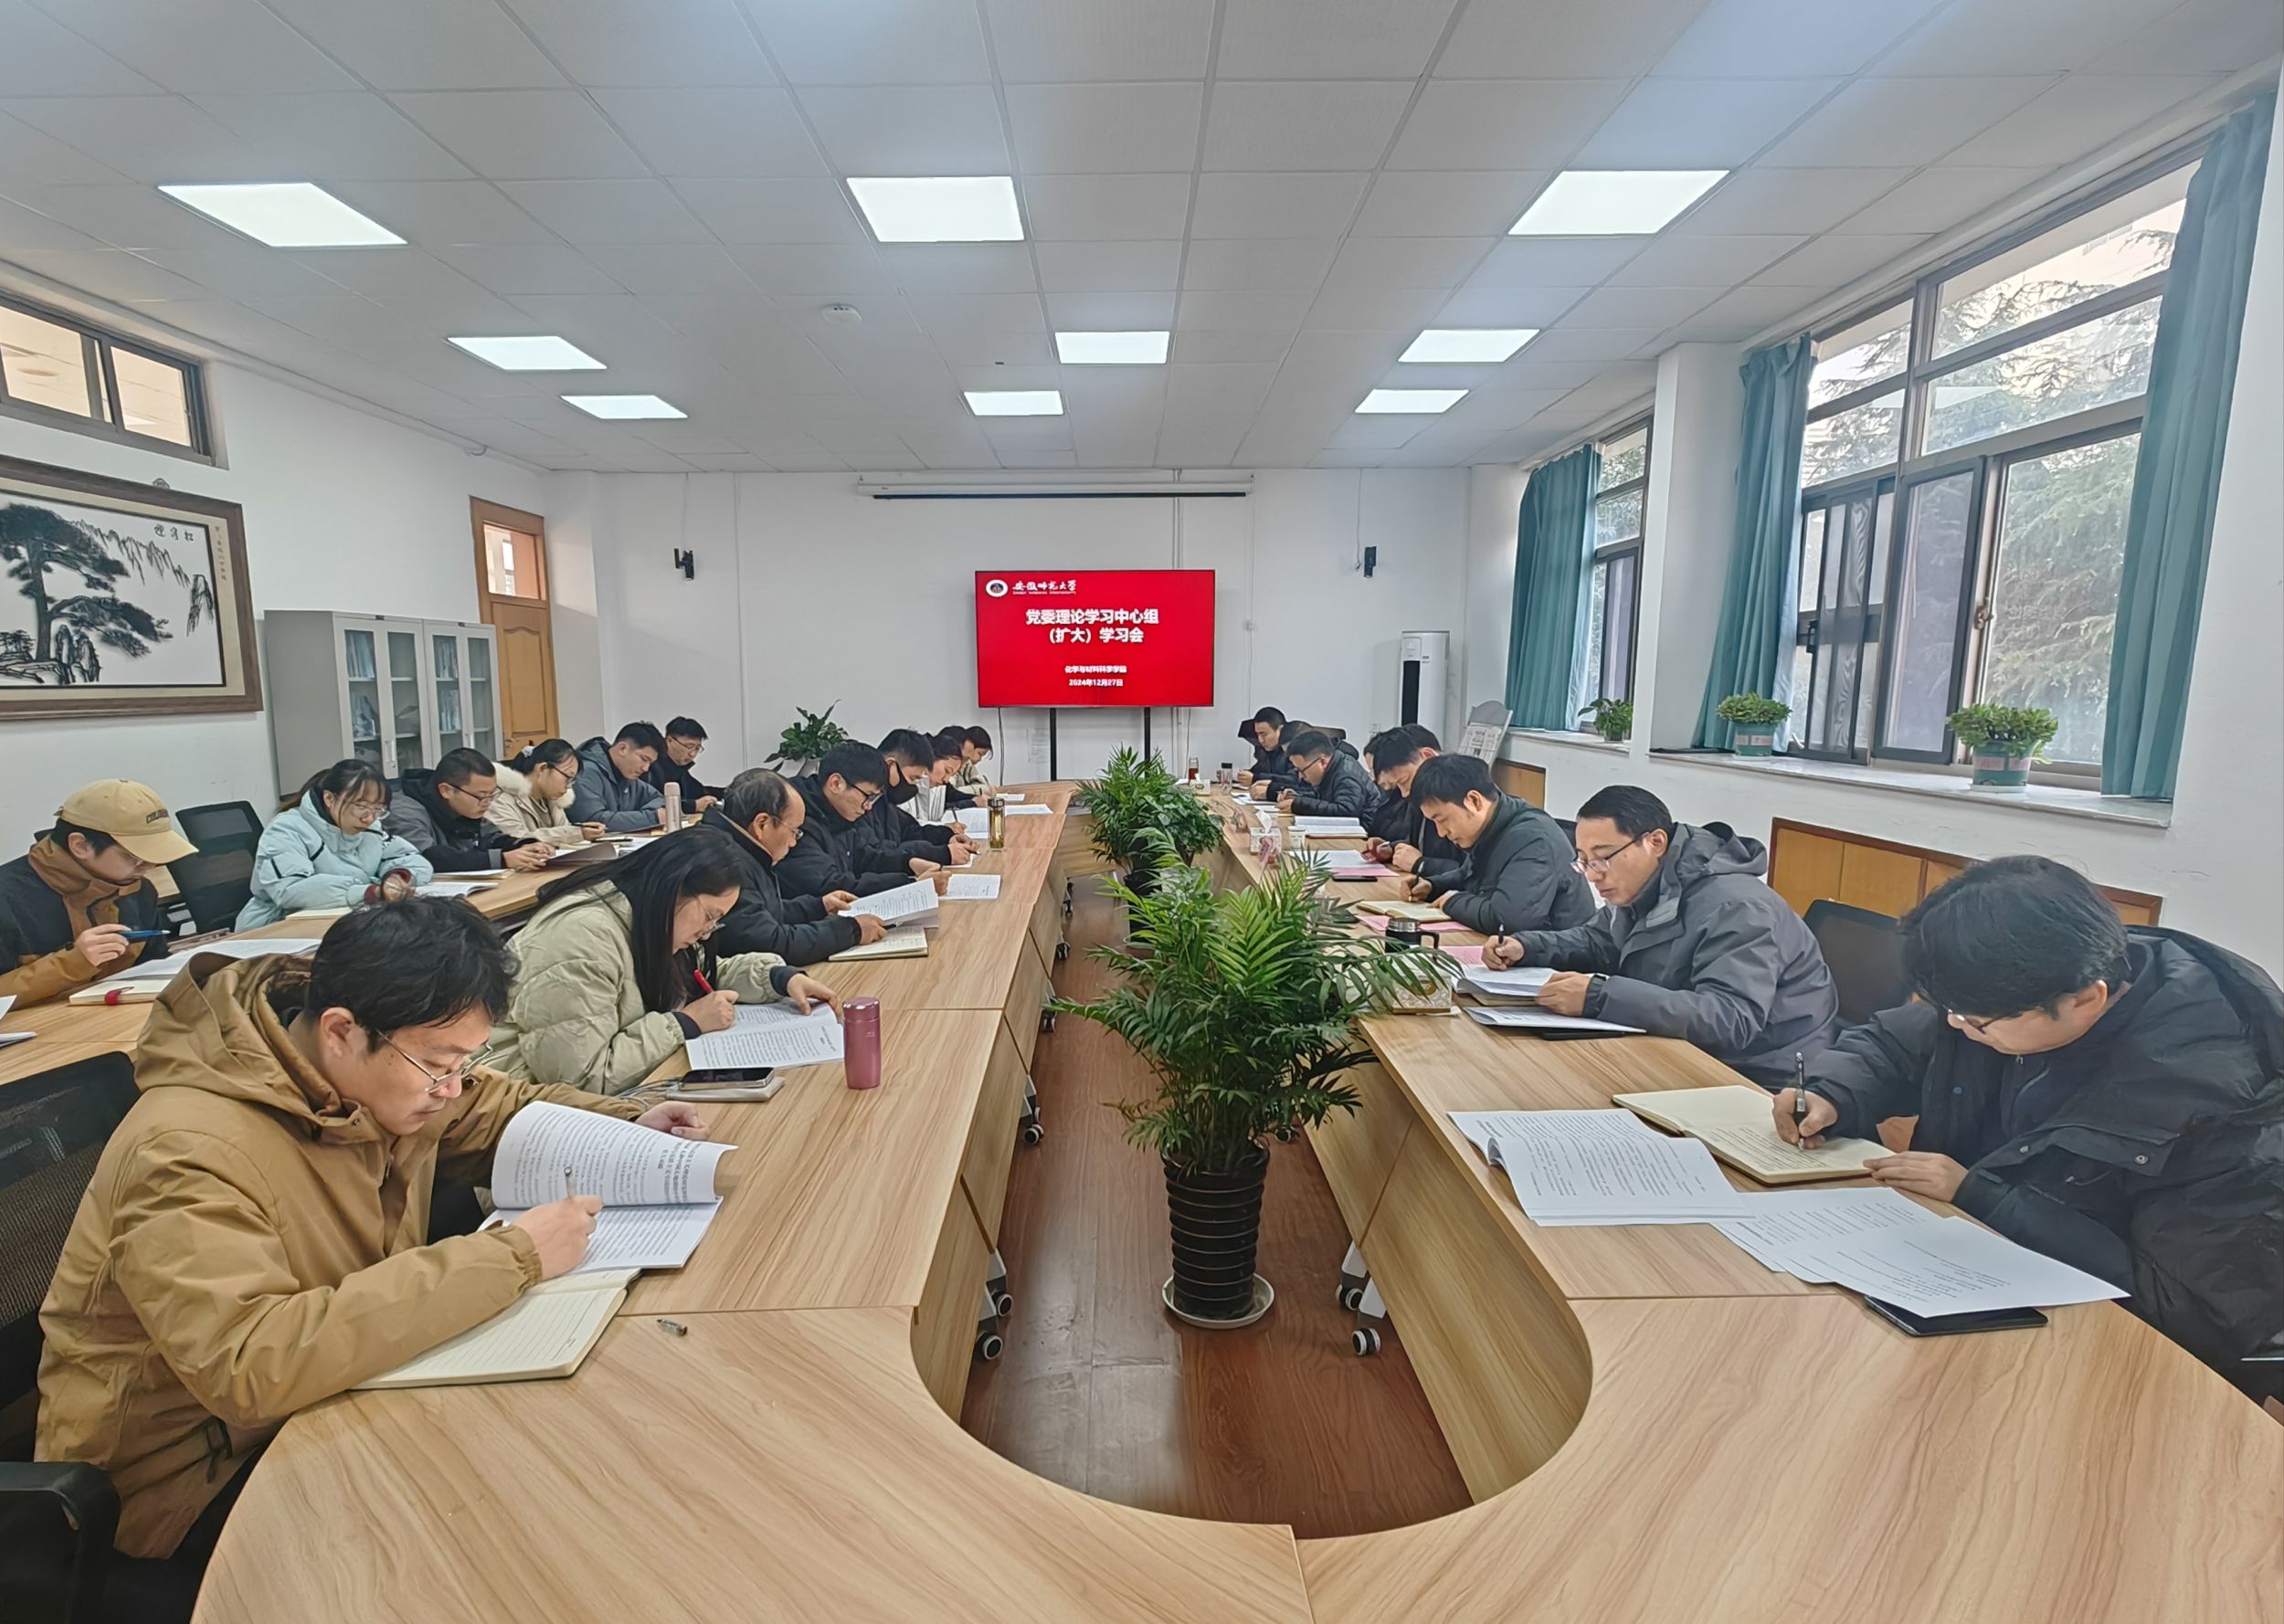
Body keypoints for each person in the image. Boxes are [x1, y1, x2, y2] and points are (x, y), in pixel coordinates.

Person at [36, 899, 711, 1574]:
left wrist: (623, 1125)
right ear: (340, 1032)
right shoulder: (184, 1151)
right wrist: (512, 1258)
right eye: (440, 1065)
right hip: (187, 1487)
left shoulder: (374, 1072)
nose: (452, 1088)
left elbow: (489, 1106)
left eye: (463, 1061)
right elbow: (249, 1365)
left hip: (338, 1393)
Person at [1775, 857, 2284, 1397]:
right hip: (1960, 1278)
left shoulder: (2226, 1106)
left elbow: (2190, 1315)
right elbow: (1893, 1044)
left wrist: (1982, 1196)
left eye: (1975, 1022)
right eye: (1950, 1011)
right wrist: (1832, 1090)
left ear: (2086, 1000)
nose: (1956, 1026)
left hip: (2115, 1368)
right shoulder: (2021, 984)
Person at [1483, 785, 1838, 1086]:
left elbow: (1730, 1019)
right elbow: (1600, 940)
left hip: (1763, 1079)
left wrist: (1600, 997)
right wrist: (1527, 946)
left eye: (1603, 858)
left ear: (1654, 842)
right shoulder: (1646, 884)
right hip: (1679, 1049)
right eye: (1584, 861)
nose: (1592, 875)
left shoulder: (1737, 907)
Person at [487, 826, 841, 1095]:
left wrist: (778, 978)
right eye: (709, 916)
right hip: (524, 1112)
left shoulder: (651, 914)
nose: (708, 932)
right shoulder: (580, 941)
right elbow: (580, 1079)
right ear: (674, 889)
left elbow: (700, 975)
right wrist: (684, 1023)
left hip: (611, 1095)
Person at [0, 780, 196, 1005]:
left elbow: (153, 966)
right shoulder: (7, 901)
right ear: (80, 846)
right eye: (134, 857)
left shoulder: (138, 891)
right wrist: (71, 963)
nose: (148, 867)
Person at [703, 767, 888, 966]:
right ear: (762, 824)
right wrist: (852, 931)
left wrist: (819, 906)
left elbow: (764, 913)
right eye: (794, 831)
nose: (794, 842)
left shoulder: (740, 847)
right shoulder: (724, 861)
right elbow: (769, 943)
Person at [1405, 754, 1594, 937]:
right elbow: (1469, 875)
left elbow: (1508, 920)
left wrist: (1452, 901)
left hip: (1555, 955)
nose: (1441, 832)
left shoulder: (1533, 841)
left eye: (1442, 819)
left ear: (1474, 801)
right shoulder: (1494, 823)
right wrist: (1433, 886)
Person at [238, 762, 433, 929]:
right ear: (329, 799)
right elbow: (291, 890)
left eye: (378, 809)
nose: (368, 818)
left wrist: (397, 876)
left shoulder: (370, 829)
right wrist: (369, 892)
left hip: (347, 919)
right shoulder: (286, 829)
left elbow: (411, 859)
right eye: (361, 806)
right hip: (277, 927)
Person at [777, 743, 951, 901]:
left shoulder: (837, 812)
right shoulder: (796, 822)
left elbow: (864, 856)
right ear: (836, 783)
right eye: (868, 796)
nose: (869, 806)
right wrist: (911, 886)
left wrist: (908, 863)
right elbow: (829, 886)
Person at [384, 747, 550, 874]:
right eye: (481, 796)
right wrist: (502, 859)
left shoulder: (466, 805)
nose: (487, 803)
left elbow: (491, 838)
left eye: (492, 794)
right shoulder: (404, 811)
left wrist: (525, 846)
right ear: (446, 790)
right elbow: (429, 858)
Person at [1360, 724, 1461, 883]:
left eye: (1404, 781)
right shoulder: (1419, 798)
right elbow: (1418, 843)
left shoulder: (1460, 799)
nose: (1404, 793)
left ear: (1427, 756)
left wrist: (1421, 864)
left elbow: (1474, 873)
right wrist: (1391, 849)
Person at [488, 739, 608, 849]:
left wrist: (581, 832)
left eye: (572, 780)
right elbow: (517, 841)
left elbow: (564, 838)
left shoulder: (553, 799)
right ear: (542, 768)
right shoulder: (499, 799)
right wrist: (576, 833)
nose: (569, 786)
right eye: (568, 777)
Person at [570, 722, 668, 832]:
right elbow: (593, 822)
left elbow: (659, 799)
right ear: (622, 748)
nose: (646, 768)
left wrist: (647, 815)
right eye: (644, 759)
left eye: (650, 763)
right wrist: (651, 818)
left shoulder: (629, 777)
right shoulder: (586, 772)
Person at [1278, 728, 1375, 819]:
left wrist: (1299, 806)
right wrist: (1297, 797)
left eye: (1302, 770)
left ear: (1322, 762)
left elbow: (1346, 811)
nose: (1300, 776)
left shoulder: (1347, 775)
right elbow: (1325, 798)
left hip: (1363, 830)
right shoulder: (1333, 767)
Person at [646, 716, 722, 811]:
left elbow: (700, 792)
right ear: (669, 740)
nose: (692, 754)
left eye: (697, 748)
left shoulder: (680, 770)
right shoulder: (650, 767)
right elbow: (653, 802)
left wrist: (731, 792)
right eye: (689, 746)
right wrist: (693, 806)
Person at [1235, 707, 1290, 792]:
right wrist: (1239, 777)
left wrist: (1255, 778)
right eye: (1258, 735)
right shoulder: (1268, 751)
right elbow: (1257, 771)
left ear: (1280, 730)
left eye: (1263, 734)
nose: (1260, 740)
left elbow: (1294, 780)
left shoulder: (1294, 750)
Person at [948, 723, 995, 796]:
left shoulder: (968, 765)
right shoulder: (950, 764)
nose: (980, 759)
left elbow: (980, 783)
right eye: (980, 754)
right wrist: (981, 790)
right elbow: (952, 792)